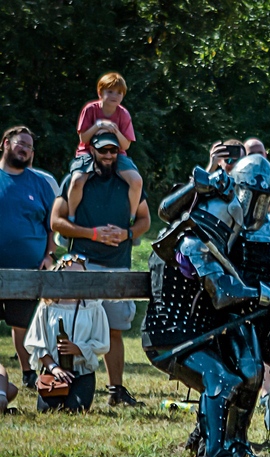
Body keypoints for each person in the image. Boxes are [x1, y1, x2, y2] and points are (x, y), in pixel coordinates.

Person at [144, 156, 270, 457]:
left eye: (264, 199)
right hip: (231, 313)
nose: (255, 205)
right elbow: (213, 282)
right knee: (249, 372)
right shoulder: (218, 221)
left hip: (266, 311)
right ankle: (232, 443)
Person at [50, 131, 151, 407]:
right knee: (75, 328)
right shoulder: (76, 180)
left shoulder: (129, 183)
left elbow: (145, 220)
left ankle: (116, 390)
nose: (108, 156)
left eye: (113, 151)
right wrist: (91, 233)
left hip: (118, 266)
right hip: (81, 264)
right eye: (103, 150)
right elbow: (56, 222)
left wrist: (127, 234)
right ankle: (66, 386)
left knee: (115, 329)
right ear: (91, 151)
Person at [0, 126, 57, 392]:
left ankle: (27, 373)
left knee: (21, 323)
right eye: (20, 143)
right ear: (5, 144)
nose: (25, 149)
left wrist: (49, 256)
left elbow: (51, 226)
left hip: (27, 270)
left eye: (29, 147)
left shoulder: (41, 184)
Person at [25, 255, 110, 412]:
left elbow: (102, 344)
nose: (74, 281)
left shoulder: (93, 308)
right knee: (48, 410)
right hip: (53, 372)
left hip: (82, 372)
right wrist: (55, 368)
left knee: (75, 409)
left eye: (79, 276)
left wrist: (78, 349)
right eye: (69, 276)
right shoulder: (46, 307)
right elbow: (37, 345)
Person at [67, 73, 143, 226]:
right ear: (100, 92)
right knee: (76, 181)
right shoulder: (90, 109)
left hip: (116, 154)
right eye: (110, 91)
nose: (115, 96)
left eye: (119, 93)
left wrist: (115, 131)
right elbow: (83, 139)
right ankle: (71, 218)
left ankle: (132, 218)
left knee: (136, 181)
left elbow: (126, 145)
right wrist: (98, 125)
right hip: (88, 152)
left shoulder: (123, 114)